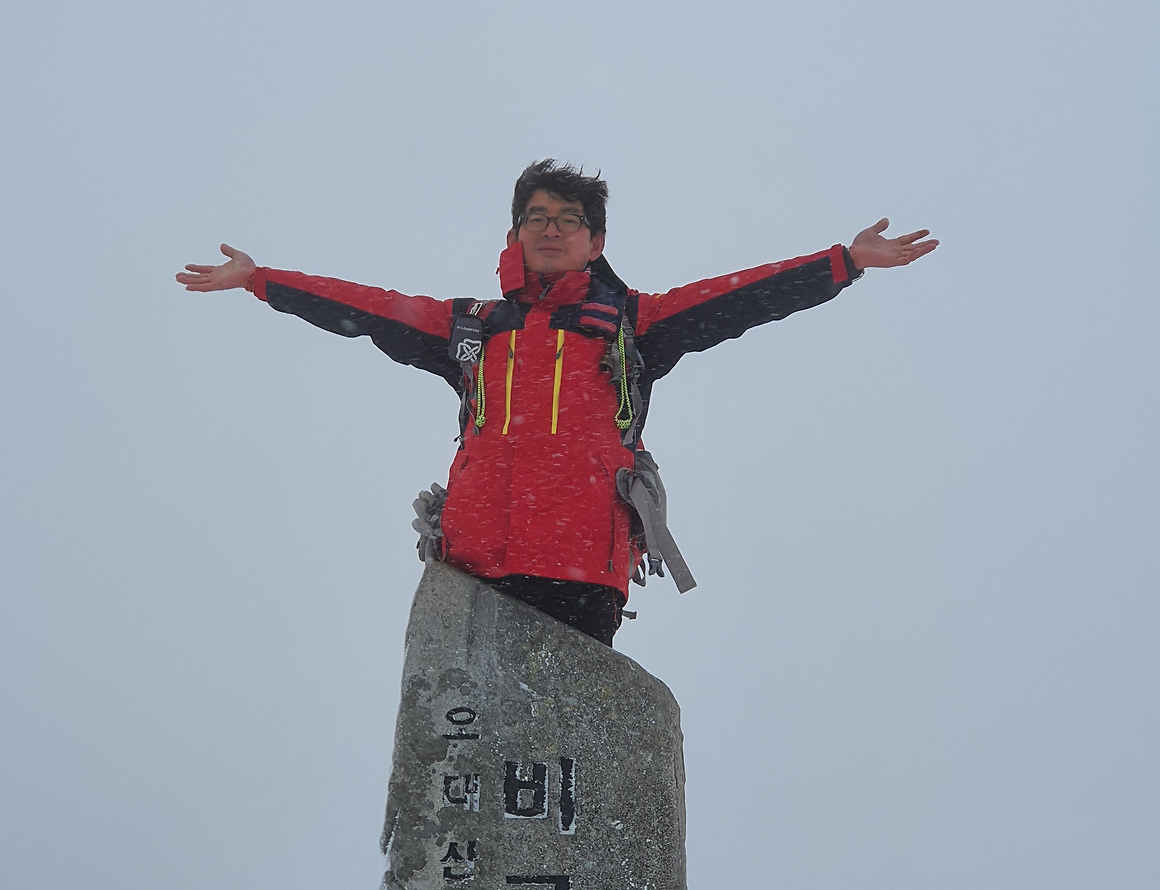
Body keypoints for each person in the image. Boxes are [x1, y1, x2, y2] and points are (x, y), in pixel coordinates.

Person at [177, 161, 936, 645]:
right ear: (514, 232)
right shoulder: (471, 325)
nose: (551, 229)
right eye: (538, 216)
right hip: (473, 562)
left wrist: (842, 262)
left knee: (560, 755)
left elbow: (738, 298)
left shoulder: (635, 322)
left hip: (581, 569)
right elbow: (369, 307)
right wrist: (261, 280)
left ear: (595, 241)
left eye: (570, 220)